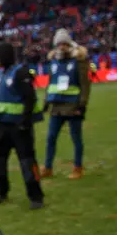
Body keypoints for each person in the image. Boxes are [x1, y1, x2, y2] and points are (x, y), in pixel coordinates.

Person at [0, 42, 45, 210]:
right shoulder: (1, 74)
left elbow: (30, 97)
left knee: (27, 161)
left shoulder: (20, 72)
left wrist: (25, 121)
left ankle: (35, 195)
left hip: (19, 127)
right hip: (3, 125)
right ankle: (1, 191)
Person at [41, 29, 91, 180]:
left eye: (64, 43)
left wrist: (82, 105)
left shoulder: (79, 61)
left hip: (73, 107)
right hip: (56, 107)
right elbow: (51, 83)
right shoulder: (54, 61)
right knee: (51, 138)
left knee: (76, 139)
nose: (61, 46)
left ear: (69, 44)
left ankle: (78, 167)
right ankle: (48, 167)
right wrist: (45, 102)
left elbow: (85, 85)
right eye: (59, 43)